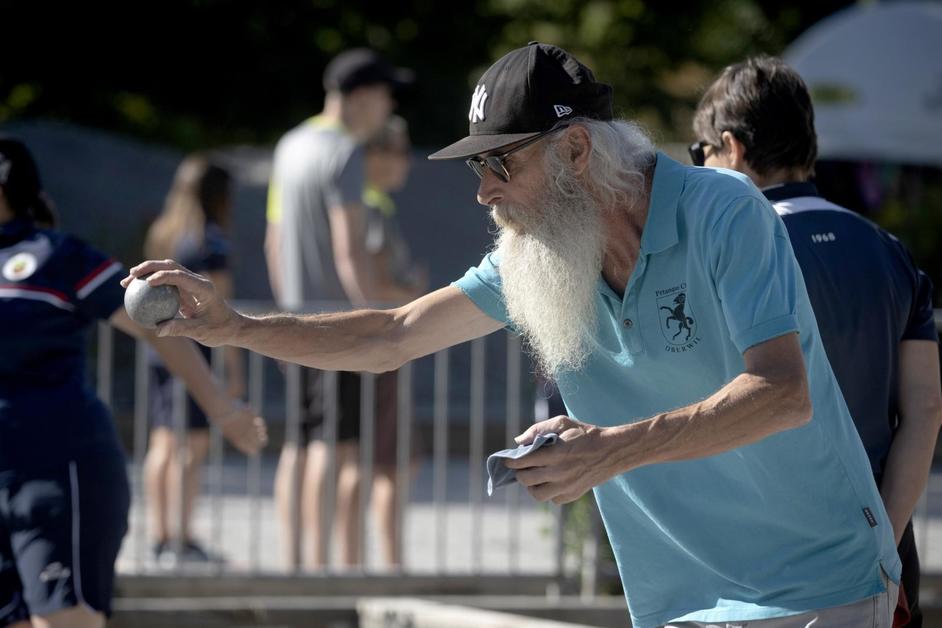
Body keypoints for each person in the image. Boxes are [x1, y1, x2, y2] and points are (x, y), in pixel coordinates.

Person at [127, 43, 902, 628]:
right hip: (683, 601)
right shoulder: (534, 251)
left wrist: (610, 447)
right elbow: (392, 334)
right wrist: (236, 328)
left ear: (574, 150)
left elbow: (782, 394)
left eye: (499, 163)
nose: (482, 192)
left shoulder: (723, 210)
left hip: (818, 589)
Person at [691, 55, 942, 626]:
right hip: (883, 557)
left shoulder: (729, 254)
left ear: (730, 149)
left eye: (698, 153)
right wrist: (883, 543)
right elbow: (925, 407)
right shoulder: (889, 251)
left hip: (768, 564)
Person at [0, 137, 266, 628]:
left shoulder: (54, 256)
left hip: (57, 470)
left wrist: (223, 405)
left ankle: (174, 536)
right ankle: (171, 537)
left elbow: (160, 326)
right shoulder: (197, 235)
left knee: (64, 618)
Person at [264, 48, 413, 568]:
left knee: (299, 443)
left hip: (297, 317)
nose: (388, 105)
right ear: (363, 97)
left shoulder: (289, 146)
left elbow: (274, 241)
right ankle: (324, 572)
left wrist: (285, 319)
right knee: (339, 446)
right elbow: (349, 251)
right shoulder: (346, 152)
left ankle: (296, 562)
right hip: (338, 324)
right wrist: (375, 324)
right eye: (385, 94)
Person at [142, 154, 245, 566]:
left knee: (163, 443)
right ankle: (182, 538)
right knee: (192, 447)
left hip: (160, 348)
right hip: (196, 351)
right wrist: (233, 371)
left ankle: (161, 535)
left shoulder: (164, 231)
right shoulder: (210, 241)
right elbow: (222, 310)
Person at [361, 115, 426, 567]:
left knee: (388, 459)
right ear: (377, 156)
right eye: (400, 151)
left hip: (375, 345)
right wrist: (418, 297)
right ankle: (391, 562)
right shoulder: (371, 207)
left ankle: (383, 559)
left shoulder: (371, 204)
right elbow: (375, 285)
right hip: (380, 345)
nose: (406, 163)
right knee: (394, 461)